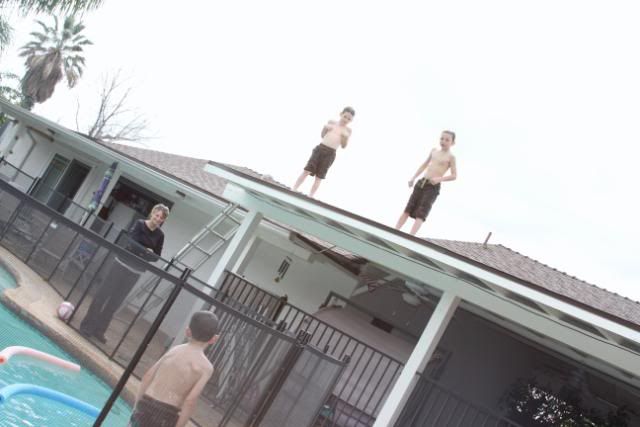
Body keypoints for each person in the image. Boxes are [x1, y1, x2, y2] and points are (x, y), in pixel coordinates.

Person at [79, 203, 170, 343]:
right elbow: (132, 243)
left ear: (163, 220)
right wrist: (146, 252)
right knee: (102, 296)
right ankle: (87, 327)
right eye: (157, 215)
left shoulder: (160, 235)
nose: (158, 219)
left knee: (114, 303)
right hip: (120, 265)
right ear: (152, 213)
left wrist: (145, 252)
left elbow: (156, 257)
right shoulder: (139, 224)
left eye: (161, 218)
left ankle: (99, 331)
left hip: (135, 272)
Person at [129, 311, 219, 427]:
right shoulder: (205, 367)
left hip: (145, 404)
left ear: (187, 331)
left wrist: (137, 406)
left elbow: (147, 377)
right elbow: (190, 401)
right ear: (214, 339)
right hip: (166, 414)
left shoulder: (174, 350)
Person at [395, 131, 458, 235]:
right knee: (408, 207)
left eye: (447, 140)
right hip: (422, 182)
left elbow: (454, 175)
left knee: (422, 212)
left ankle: (411, 235)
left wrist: (439, 179)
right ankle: (395, 230)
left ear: (452, 143)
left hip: (433, 186)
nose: (443, 141)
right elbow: (424, 165)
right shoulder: (434, 151)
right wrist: (413, 177)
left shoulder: (451, 157)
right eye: (442, 138)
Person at [292, 106, 355, 197]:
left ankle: (311, 196)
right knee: (307, 170)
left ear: (351, 120)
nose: (346, 119)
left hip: (330, 153)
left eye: (349, 119)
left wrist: (344, 137)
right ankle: (294, 188)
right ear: (341, 114)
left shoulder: (348, 130)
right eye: (345, 116)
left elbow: (343, 146)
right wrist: (325, 128)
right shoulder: (332, 122)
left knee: (319, 177)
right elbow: (322, 135)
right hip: (320, 148)